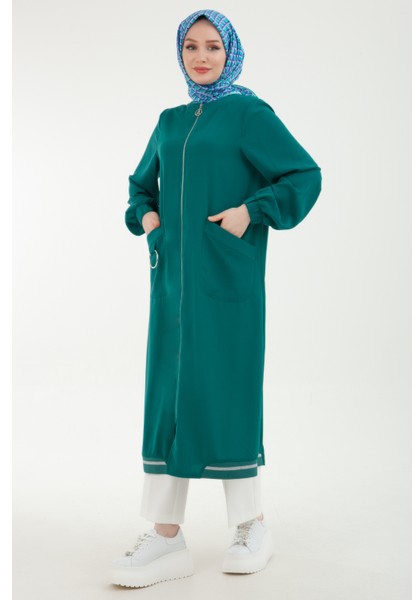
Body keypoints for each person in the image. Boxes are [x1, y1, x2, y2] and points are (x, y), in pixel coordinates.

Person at [111, 8, 322, 589]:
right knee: (168, 398)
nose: (201, 57)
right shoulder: (170, 121)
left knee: (229, 389)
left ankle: (252, 525)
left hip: (228, 283)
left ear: (231, 53)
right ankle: (165, 536)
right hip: (172, 286)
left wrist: (251, 212)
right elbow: (139, 187)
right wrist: (150, 220)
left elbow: (303, 175)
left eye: (213, 47)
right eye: (191, 47)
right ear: (180, 54)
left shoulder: (249, 114)